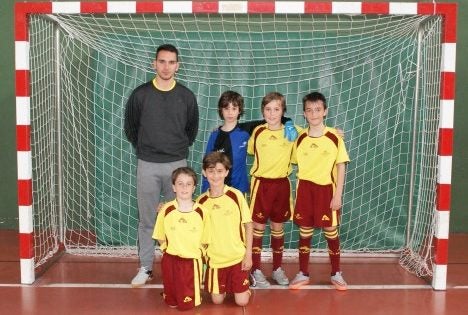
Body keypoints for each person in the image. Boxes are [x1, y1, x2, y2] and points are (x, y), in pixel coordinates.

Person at [124, 44, 199, 287]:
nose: (166, 66)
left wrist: (174, 148)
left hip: (177, 164)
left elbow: (191, 130)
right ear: (154, 64)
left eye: (171, 62)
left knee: (178, 217)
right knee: (147, 220)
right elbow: (131, 128)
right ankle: (145, 267)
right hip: (147, 163)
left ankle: (175, 266)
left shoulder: (186, 96)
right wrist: (148, 148)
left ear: (178, 65)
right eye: (162, 61)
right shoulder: (140, 94)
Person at [289, 91, 350, 291]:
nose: (313, 114)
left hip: (327, 190)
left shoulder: (334, 137)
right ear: (304, 114)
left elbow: (341, 166)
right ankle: (303, 272)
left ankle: (337, 273)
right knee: (304, 232)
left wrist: (338, 194)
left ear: (325, 112)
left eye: (318, 110)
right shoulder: (299, 139)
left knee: (331, 231)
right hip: (305, 190)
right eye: (309, 110)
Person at [247, 92, 298, 288]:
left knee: (278, 227)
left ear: (283, 111)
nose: (272, 113)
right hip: (261, 184)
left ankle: (277, 268)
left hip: (282, 185)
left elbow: (314, 132)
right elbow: (251, 150)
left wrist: (335, 132)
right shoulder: (258, 132)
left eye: (277, 109)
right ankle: (256, 270)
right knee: (258, 227)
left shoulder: (291, 132)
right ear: (262, 111)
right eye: (268, 109)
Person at [202, 90, 297, 194]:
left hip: (238, 188)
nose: (230, 112)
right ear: (221, 110)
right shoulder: (215, 135)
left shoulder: (246, 130)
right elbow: (207, 164)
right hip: (217, 187)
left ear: (239, 110)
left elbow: (271, 119)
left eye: (234, 108)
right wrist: (206, 190)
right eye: (226, 108)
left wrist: (288, 121)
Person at [196, 152, 253, 306]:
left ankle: (244, 285)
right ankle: (228, 286)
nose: (215, 176)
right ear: (204, 172)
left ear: (227, 172)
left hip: (237, 258)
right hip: (215, 260)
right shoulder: (200, 202)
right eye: (211, 171)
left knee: (241, 302)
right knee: (217, 301)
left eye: (220, 171)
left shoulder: (236, 196)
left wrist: (248, 254)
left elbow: (248, 225)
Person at [152, 167, 208, 310]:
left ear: (194, 187)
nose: (184, 187)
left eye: (188, 184)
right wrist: (167, 250)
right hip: (170, 260)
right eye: (180, 183)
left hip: (191, 262)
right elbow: (160, 235)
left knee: (186, 306)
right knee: (171, 303)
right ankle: (170, 294)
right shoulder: (166, 210)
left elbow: (206, 238)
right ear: (173, 187)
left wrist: (199, 254)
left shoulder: (202, 211)